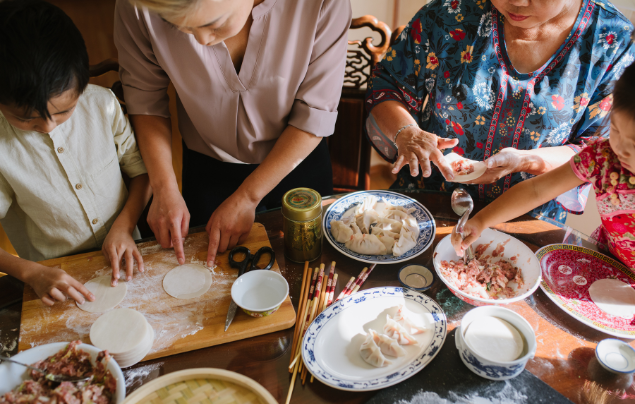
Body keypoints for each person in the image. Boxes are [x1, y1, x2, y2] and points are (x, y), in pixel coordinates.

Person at [114, 0, 350, 268]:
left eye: (212, 24)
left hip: (296, 161)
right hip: (208, 168)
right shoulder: (138, 5)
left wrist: (248, 196)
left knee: (308, 269)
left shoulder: (324, 4)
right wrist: (163, 186)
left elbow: (314, 114)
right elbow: (146, 101)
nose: (200, 42)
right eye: (179, 27)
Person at [366, 0, 634, 225]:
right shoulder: (450, 13)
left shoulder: (612, 40)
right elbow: (387, 84)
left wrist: (524, 161)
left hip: (529, 221)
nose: (516, 2)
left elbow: (597, 150)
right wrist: (407, 132)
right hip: (427, 205)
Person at [0, 0, 152, 306]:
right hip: (53, 277)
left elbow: (141, 173)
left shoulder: (103, 104)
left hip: (129, 254)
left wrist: (123, 227)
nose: (47, 126)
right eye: (25, 119)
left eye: (64, 111)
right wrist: (30, 273)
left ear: (81, 85)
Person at [452, 61, 635, 270]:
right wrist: (480, 221)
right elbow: (536, 190)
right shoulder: (602, 157)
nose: (621, 148)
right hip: (609, 262)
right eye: (616, 130)